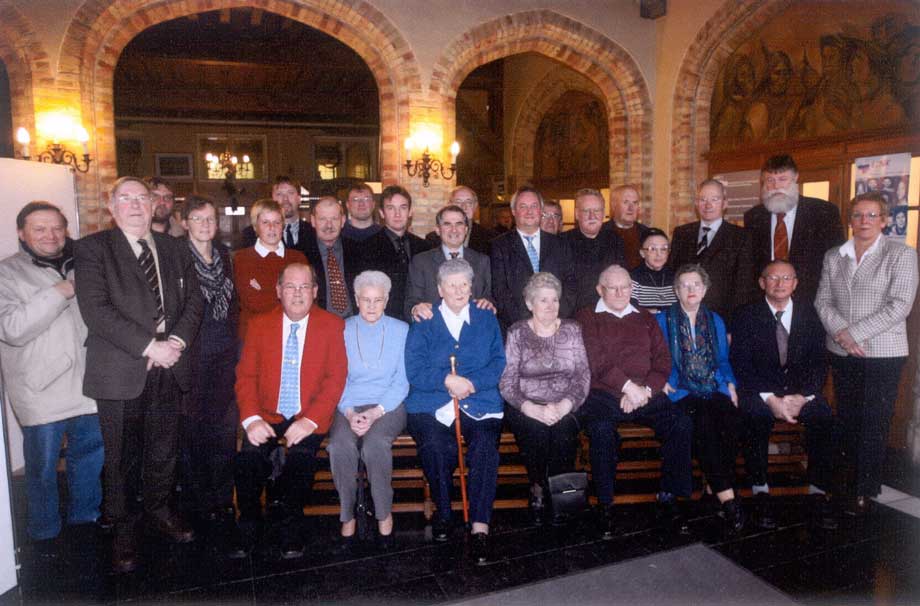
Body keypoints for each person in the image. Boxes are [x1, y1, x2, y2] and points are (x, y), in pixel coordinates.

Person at [74, 176, 204, 573]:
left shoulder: (173, 247)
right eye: (125, 199)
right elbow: (96, 310)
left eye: (141, 198)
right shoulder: (93, 249)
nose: (134, 205)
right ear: (111, 207)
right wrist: (151, 347)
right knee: (121, 458)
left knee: (163, 448)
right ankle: (124, 529)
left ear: (153, 205)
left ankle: (160, 510)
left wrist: (176, 344)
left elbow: (194, 300)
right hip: (121, 369)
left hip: (170, 365)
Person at [0, 202, 103, 556]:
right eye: (40, 228)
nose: (50, 235)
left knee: (89, 457)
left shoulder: (84, 264)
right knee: (42, 467)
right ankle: (44, 535)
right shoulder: (6, 273)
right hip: (40, 389)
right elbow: (11, 329)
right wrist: (59, 291)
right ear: (21, 233)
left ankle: (84, 523)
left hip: (88, 384)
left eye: (57, 228)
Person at [232, 263, 347, 558]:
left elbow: (336, 378)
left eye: (305, 287)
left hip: (308, 413)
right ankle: (248, 520)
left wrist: (310, 421)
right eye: (291, 287)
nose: (298, 294)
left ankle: (290, 523)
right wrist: (252, 419)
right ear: (279, 291)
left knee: (300, 460)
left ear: (316, 292)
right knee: (248, 460)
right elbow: (245, 376)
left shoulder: (332, 325)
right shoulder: (259, 324)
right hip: (267, 414)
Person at [815, 192, 918, 515]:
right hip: (843, 352)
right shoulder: (835, 255)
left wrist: (854, 334)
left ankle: (865, 489)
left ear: (885, 220)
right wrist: (843, 336)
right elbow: (822, 301)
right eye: (858, 215)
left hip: (882, 353)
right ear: (850, 220)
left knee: (873, 422)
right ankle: (843, 484)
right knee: (846, 420)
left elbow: (900, 305)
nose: (864, 222)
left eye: (872, 215)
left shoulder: (901, 255)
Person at [576, 265, 693, 539]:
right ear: (599, 290)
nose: (620, 293)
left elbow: (663, 360)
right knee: (602, 431)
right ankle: (605, 504)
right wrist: (628, 388)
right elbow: (596, 361)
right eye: (612, 288)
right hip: (604, 394)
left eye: (626, 287)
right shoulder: (587, 316)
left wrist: (645, 391)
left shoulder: (644, 316)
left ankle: (669, 496)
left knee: (681, 424)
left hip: (645, 393)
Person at [404, 258, 505, 565]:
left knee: (485, 446)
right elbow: (414, 369)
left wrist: (470, 384)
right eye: (452, 284)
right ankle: (444, 515)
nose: (459, 290)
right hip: (430, 404)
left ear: (472, 287)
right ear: (439, 289)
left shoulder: (486, 318)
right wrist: (446, 380)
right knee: (437, 446)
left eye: (465, 284)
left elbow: (498, 362)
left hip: (480, 401)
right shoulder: (424, 320)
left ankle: (480, 525)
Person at [730, 260, 838, 530]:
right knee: (755, 415)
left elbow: (819, 362)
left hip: (801, 394)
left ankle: (817, 491)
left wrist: (803, 397)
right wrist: (770, 399)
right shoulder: (746, 315)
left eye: (786, 278)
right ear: (762, 282)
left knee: (823, 416)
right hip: (761, 392)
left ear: (796, 283)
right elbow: (740, 363)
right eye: (773, 278)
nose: (780, 284)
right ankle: (760, 490)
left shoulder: (810, 315)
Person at [657, 264, 744, 533]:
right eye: (685, 285)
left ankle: (711, 488)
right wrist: (661, 380)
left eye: (696, 284)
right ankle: (727, 497)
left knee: (732, 419)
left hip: (713, 386)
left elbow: (722, 360)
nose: (691, 289)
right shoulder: (662, 320)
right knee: (704, 422)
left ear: (705, 289)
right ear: (676, 291)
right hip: (680, 389)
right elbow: (655, 358)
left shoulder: (715, 320)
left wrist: (730, 383)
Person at [327, 271, 409, 551]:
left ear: (387, 300)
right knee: (340, 446)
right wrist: (350, 413)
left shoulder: (401, 330)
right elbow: (338, 378)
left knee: (374, 446)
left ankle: (384, 515)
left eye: (378, 300)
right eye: (366, 300)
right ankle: (347, 515)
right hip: (347, 403)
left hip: (388, 406)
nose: (372, 306)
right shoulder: (342, 328)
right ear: (356, 300)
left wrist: (375, 413)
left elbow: (401, 380)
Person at [499, 272, 589, 526]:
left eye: (554, 300)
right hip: (526, 404)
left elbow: (583, 376)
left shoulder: (572, 330)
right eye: (543, 301)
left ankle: (561, 496)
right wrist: (529, 408)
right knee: (536, 432)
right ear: (529, 304)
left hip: (566, 403)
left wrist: (564, 405)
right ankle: (537, 488)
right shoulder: (517, 332)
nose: (550, 306)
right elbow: (507, 380)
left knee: (562, 433)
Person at [180, 195, 241, 539]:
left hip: (224, 356)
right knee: (193, 435)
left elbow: (232, 306)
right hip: (192, 357)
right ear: (185, 222)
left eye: (210, 219)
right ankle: (198, 504)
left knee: (223, 431)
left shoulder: (224, 257)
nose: (205, 225)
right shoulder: (176, 257)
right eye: (198, 219)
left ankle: (222, 500)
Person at [744, 154, 844, 305]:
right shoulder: (754, 217)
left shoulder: (824, 213)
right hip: (765, 305)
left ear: (796, 178)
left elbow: (838, 263)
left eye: (782, 179)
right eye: (770, 180)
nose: (776, 186)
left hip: (811, 304)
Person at [490, 185, 577, 330]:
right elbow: (500, 291)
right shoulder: (499, 246)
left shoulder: (560, 244)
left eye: (534, 206)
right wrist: (529, 324)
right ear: (513, 211)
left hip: (557, 326)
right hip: (518, 327)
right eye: (523, 206)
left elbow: (571, 284)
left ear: (541, 210)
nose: (529, 211)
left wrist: (554, 318)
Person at [670, 179, 754, 323]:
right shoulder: (682, 233)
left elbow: (743, 287)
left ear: (724, 203)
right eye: (703, 199)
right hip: (682, 317)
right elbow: (673, 274)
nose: (708, 205)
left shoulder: (741, 237)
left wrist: (732, 326)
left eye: (714, 199)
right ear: (696, 203)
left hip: (721, 319)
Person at [233, 198, 308, 341]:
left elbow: (306, 300)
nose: (272, 227)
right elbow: (253, 302)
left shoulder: (298, 258)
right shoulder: (241, 259)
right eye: (265, 222)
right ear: (255, 226)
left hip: (292, 336)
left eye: (277, 222)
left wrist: (263, 290)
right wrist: (290, 298)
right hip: (254, 338)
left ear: (283, 226)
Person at [405, 204, 493, 322]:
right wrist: (415, 309)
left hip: (473, 331)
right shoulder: (421, 262)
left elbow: (489, 296)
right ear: (437, 230)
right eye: (447, 224)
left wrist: (488, 303)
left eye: (459, 224)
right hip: (435, 331)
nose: (454, 229)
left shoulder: (482, 261)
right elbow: (411, 302)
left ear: (466, 229)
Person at [358, 185, 432, 322]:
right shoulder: (366, 247)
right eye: (390, 208)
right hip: (384, 322)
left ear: (410, 212)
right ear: (381, 213)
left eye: (403, 208)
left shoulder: (424, 247)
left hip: (420, 321)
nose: (397, 214)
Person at [562, 188, 625, 311]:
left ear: (603, 213)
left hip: (608, 311)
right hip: (574, 313)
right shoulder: (562, 242)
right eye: (586, 211)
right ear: (576, 214)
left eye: (597, 210)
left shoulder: (615, 240)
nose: (592, 216)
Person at [304, 196, 363, 318]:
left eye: (334, 219)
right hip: (319, 324)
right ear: (313, 221)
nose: (329, 225)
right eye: (322, 219)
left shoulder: (358, 250)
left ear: (343, 221)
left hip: (354, 323)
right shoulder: (302, 254)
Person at [240, 176, 314, 251]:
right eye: (279, 194)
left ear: (299, 199)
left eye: (290, 193)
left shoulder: (313, 232)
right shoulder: (251, 234)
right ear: (271, 200)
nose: (285, 199)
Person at [424, 185, 497, 254]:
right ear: (449, 205)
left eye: (468, 202)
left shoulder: (490, 238)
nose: (464, 207)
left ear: (475, 206)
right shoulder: (432, 239)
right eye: (458, 202)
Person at [603, 185, 652, 269]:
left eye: (635, 203)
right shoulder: (601, 232)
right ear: (614, 205)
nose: (631, 208)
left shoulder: (647, 234)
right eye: (626, 202)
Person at [630, 228, 677, 314]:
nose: (659, 254)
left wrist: (655, 311)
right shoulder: (633, 278)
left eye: (663, 249)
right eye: (652, 249)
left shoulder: (676, 277)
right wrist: (662, 312)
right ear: (642, 253)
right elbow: (632, 311)